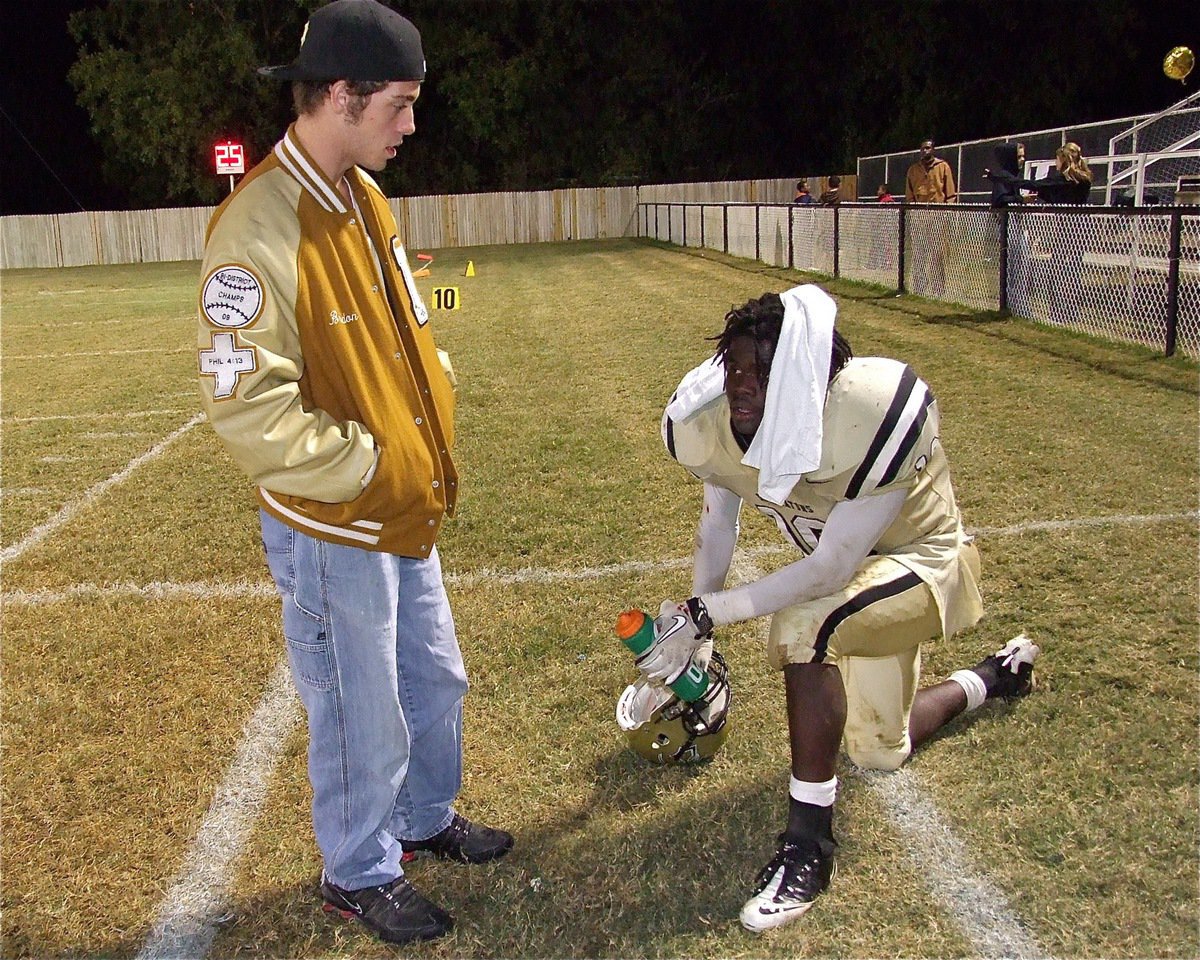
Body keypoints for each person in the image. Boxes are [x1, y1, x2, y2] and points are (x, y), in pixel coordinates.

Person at [196, 0, 511, 946]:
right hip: (336, 520)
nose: (412, 125)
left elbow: (405, 331)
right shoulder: (255, 226)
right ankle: (359, 871)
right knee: (358, 707)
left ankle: (423, 819)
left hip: (403, 505)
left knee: (434, 679)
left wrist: (431, 409)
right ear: (341, 95)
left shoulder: (365, 197)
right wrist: (364, 464)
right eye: (400, 105)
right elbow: (246, 404)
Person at [644, 285, 1040, 933]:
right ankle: (993, 676)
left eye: (765, 371)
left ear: (805, 383)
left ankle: (808, 848)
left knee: (804, 624)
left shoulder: (866, 413)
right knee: (881, 751)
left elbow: (831, 569)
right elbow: (719, 522)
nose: (743, 383)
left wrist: (710, 612)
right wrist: (698, 627)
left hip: (919, 560)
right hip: (846, 576)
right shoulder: (708, 421)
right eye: (737, 365)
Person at [1009, 142, 1094, 323]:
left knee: (1059, 272)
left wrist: (1004, 179)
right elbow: (1054, 196)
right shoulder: (1083, 180)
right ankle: (1069, 314)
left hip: (1068, 230)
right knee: (1073, 272)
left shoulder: (1064, 180)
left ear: (1063, 159)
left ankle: (1059, 314)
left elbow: (1038, 185)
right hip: (1080, 230)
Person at [983, 142, 1032, 317]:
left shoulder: (1012, 176)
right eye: (1019, 156)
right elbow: (1000, 200)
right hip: (1008, 229)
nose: (1022, 159)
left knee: (1020, 269)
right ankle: (1013, 306)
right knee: (1014, 269)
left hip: (1016, 227)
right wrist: (1021, 200)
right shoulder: (1004, 177)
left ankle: (1017, 306)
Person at [904, 139, 957, 297]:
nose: (925, 151)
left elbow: (951, 193)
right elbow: (909, 195)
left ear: (933, 149)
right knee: (919, 253)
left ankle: (938, 290)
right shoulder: (913, 170)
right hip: (920, 217)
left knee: (937, 254)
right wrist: (914, 212)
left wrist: (946, 213)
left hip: (938, 216)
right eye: (922, 149)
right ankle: (919, 288)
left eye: (928, 148)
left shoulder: (943, 167)